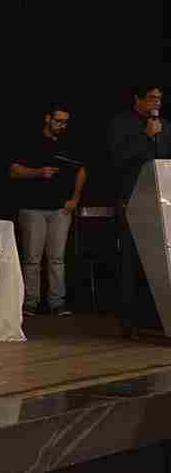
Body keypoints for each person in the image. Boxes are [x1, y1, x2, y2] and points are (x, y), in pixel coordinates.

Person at [10, 104, 86, 317]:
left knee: (57, 259)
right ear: (47, 119)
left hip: (60, 209)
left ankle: (57, 302)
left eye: (65, 122)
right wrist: (38, 172)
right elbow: (14, 171)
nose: (62, 125)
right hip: (32, 208)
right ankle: (30, 303)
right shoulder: (29, 141)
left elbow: (81, 171)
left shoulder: (69, 144)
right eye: (58, 121)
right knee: (32, 259)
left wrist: (75, 199)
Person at [108, 86, 171, 336]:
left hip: (161, 203)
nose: (157, 103)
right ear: (138, 99)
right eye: (152, 98)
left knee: (161, 259)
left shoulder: (164, 126)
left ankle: (157, 318)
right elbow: (118, 159)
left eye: (160, 99)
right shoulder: (121, 124)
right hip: (132, 200)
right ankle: (130, 321)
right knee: (131, 260)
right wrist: (145, 136)